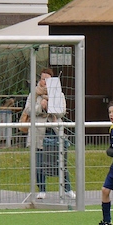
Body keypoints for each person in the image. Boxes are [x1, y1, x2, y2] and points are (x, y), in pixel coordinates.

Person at [23, 68, 75, 200]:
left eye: (48, 79)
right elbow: (28, 110)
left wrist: (51, 106)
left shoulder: (59, 94)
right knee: (39, 162)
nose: (45, 82)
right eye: (43, 79)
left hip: (54, 131)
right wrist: (41, 106)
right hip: (39, 131)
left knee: (61, 161)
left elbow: (62, 112)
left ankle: (67, 189)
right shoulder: (33, 94)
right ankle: (42, 190)